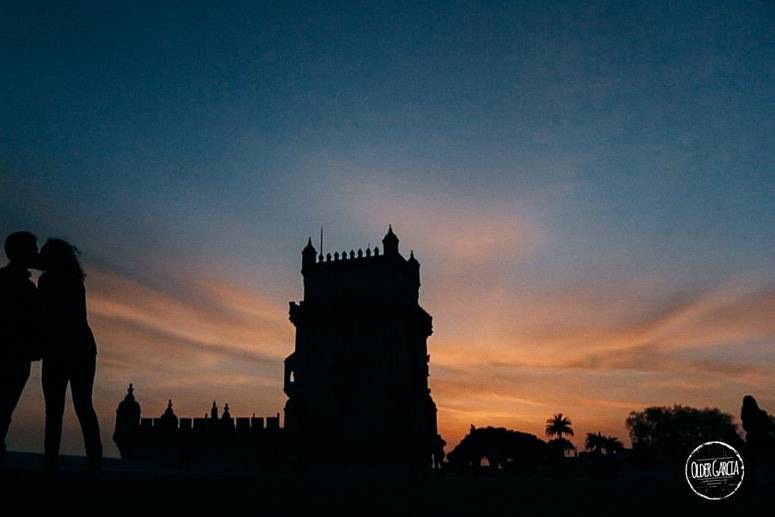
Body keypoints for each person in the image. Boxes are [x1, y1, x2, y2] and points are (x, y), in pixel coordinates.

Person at [38, 238, 102, 475]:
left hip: (59, 351)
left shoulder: (48, 281)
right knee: (84, 406)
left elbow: (45, 316)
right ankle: (95, 463)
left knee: (54, 410)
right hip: (82, 349)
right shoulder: (75, 280)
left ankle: (50, 463)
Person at [0, 231, 41, 469]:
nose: (36, 254)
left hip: (19, 355)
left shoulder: (23, 284)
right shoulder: (22, 287)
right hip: (14, 355)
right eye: (33, 249)